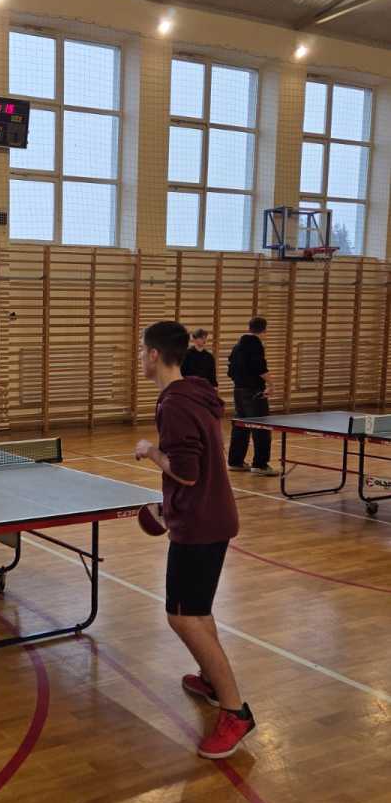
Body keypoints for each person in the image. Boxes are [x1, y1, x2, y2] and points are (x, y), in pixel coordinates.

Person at [135, 320, 255, 759]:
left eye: (141, 350)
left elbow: (186, 471)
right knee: (197, 612)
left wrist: (150, 452)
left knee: (184, 618)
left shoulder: (174, 404)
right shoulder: (195, 393)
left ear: (154, 355)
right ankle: (210, 679)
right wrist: (170, 507)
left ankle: (235, 711)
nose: (139, 357)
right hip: (209, 516)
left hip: (200, 526)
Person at [226, 316, 279, 476]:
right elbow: (260, 367)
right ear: (264, 330)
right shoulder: (255, 344)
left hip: (238, 391)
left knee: (240, 426)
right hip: (254, 392)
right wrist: (271, 384)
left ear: (249, 327)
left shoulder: (237, 346)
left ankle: (235, 461)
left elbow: (230, 371)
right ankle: (260, 465)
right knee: (261, 427)